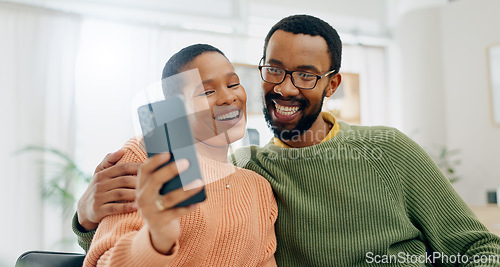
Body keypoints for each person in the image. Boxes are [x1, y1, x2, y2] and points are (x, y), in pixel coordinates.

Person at [74, 15, 500, 266]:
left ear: (332, 84)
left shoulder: (388, 149)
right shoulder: (247, 168)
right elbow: (165, 227)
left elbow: (478, 249)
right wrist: (86, 215)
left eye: (307, 75)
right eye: (274, 70)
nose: (287, 88)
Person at [81, 44, 277, 266]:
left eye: (233, 84)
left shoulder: (258, 187)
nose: (228, 97)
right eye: (207, 92)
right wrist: (157, 238)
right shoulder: (145, 158)